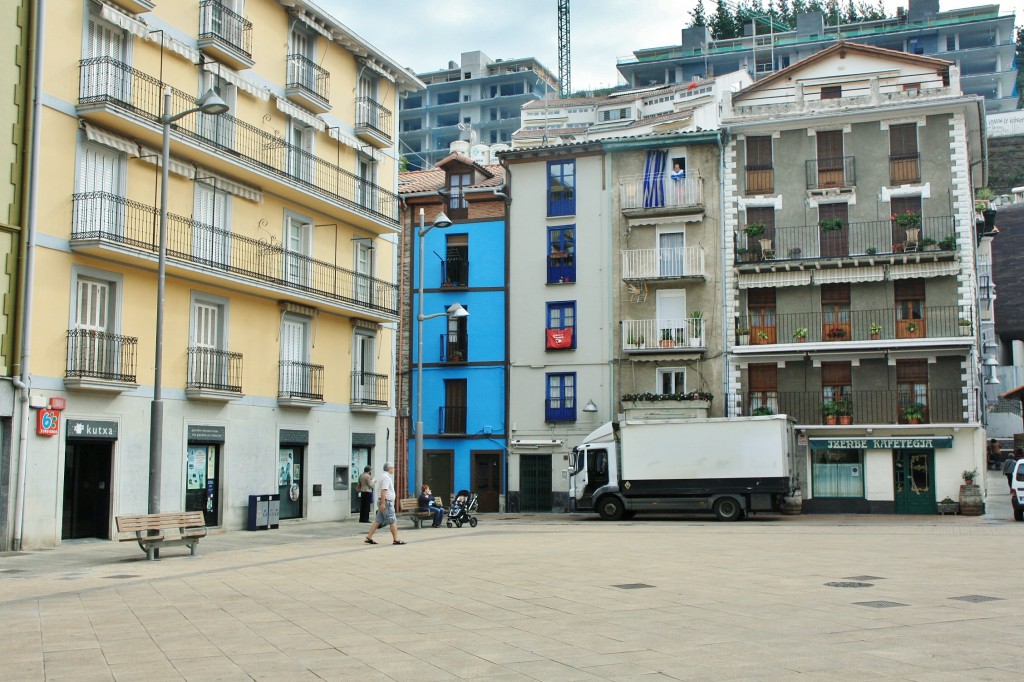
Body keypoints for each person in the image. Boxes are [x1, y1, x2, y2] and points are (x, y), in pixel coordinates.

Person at [365, 462, 405, 545]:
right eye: (393, 468)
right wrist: (383, 504)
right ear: (389, 468)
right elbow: (384, 490)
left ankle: (369, 537)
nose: (393, 469)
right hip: (386, 502)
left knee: (378, 520)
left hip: (383, 501)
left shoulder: (382, 476)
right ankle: (396, 539)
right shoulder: (386, 477)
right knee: (392, 520)